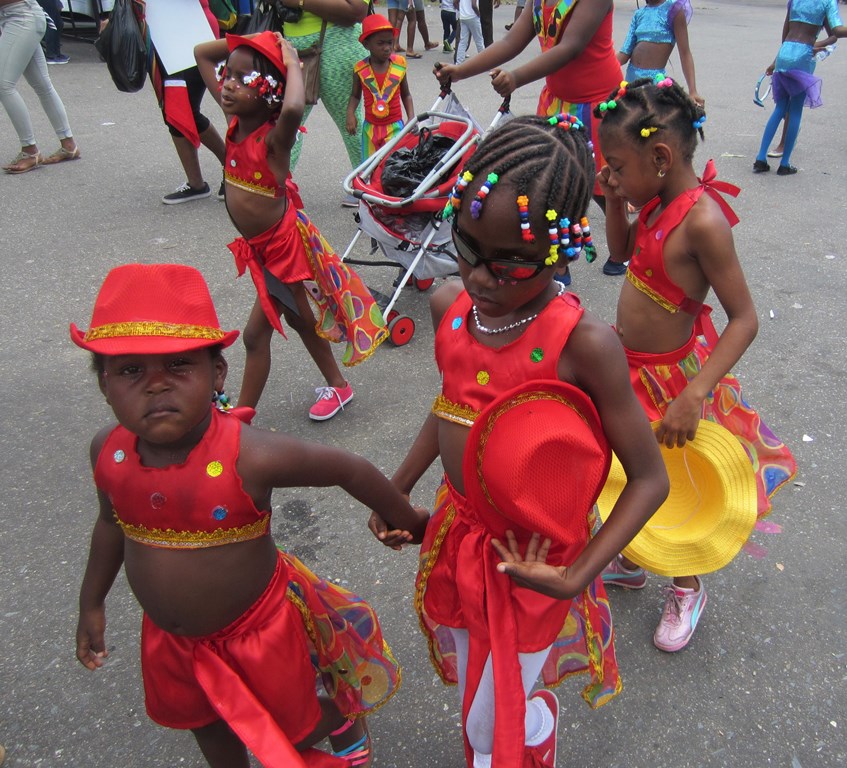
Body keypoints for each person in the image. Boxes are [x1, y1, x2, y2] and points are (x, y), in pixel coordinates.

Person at [379, 115, 669, 767]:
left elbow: (650, 479)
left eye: (511, 264)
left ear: (562, 249)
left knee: (487, 729)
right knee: (466, 662)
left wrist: (574, 576)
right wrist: (396, 486)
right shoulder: (449, 306)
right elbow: (452, 408)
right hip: (458, 538)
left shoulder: (582, 345)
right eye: (466, 248)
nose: (482, 279)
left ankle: (527, 735)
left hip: (536, 558)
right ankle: (528, 718)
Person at [72, 263, 428, 768]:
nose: (156, 386)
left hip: (258, 633)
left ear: (217, 372)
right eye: (131, 370)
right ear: (104, 384)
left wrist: (407, 520)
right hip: (171, 641)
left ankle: (340, 718)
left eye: (178, 366)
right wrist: (92, 603)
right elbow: (110, 523)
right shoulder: (107, 452)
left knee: (294, 723)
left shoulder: (247, 455)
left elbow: (347, 468)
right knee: (206, 724)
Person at [595, 77, 797, 651]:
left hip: (671, 382)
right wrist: (614, 196)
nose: (611, 175)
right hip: (626, 367)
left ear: (659, 157)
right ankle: (634, 559)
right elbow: (617, 253)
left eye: (617, 165)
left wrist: (696, 393)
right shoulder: (654, 201)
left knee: (674, 484)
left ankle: (686, 584)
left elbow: (744, 318)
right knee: (621, 470)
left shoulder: (703, 222)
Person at [195, 32, 388, 418]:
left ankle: (241, 419)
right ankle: (339, 386)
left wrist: (290, 60)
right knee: (301, 321)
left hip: (281, 250)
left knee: (254, 336)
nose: (228, 85)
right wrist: (259, 39)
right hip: (264, 249)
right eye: (227, 75)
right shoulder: (235, 121)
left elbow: (294, 108)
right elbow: (202, 53)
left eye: (243, 79)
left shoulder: (273, 140)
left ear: (269, 91)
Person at [433, 0, 629, 278]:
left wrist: (516, 77)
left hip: (596, 105)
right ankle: (554, 261)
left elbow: (570, 47)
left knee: (603, 188)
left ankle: (627, 247)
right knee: (552, 186)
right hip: (556, 103)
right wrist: (461, 71)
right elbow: (513, 40)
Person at [277, 0, 371, 203]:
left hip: (335, 44)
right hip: (292, 46)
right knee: (286, 123)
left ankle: (367, 184)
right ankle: (277, 186)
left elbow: (357, 10)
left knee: (350, 123)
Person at [753, 0, 845, 175]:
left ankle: (760, 158)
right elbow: (837, 32)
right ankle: (785, 163)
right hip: (804, 54)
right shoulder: (827, 2)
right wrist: (817, 45)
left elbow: (786, 31)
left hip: (785, 51)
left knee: (780, 108)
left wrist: (776, 60)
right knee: (795, 110)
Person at [0, 0, 80, 173]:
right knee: (43, 85)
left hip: (22, 17)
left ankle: (30, 151)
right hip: (19, 17)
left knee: (4, 85)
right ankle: (68, 145)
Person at [347, 13, 415, 160]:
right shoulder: (360, 69)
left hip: (395, 128)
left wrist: (411, 117)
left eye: (390, 42)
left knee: (393, 166)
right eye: (381, 43)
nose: (386, 48)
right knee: (370, 167)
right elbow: (354, 95)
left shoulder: (399, 65)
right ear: (366, 44)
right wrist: (350, 114)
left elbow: (406, 94)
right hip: (369, 129)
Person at [616, 0, 703, 106]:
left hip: (654, 83)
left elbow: (685, 53)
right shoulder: (639, 14)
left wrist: (692, 91)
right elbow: (624, 53)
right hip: (631, 80)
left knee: (652, 119)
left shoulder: (673, 10)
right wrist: (601, 66)